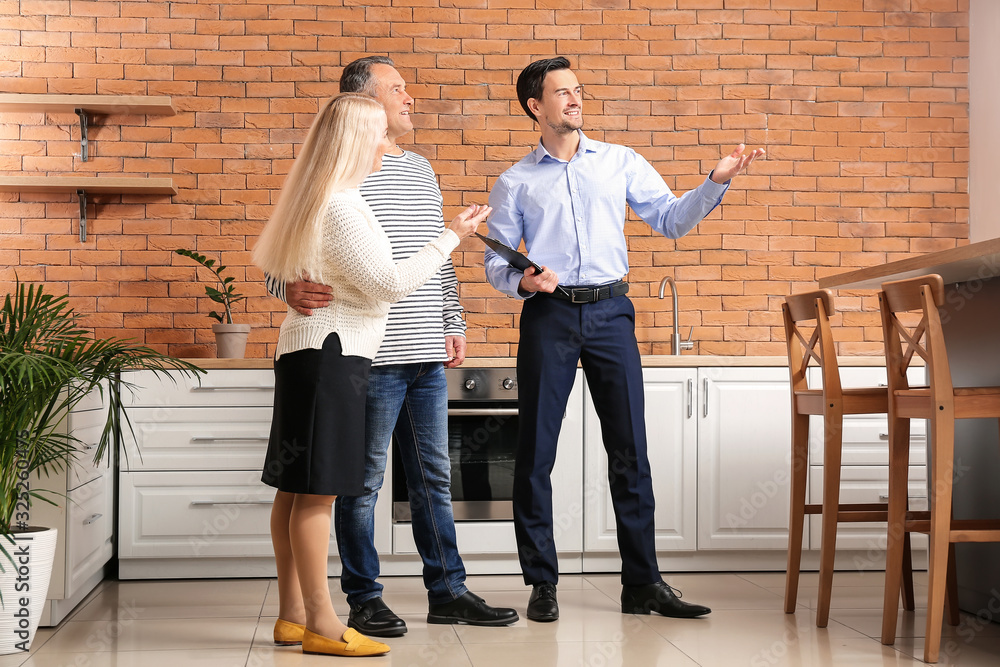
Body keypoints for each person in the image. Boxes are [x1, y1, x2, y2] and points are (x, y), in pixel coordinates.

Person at [484, 57, 764, 623]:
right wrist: (523, 279)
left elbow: (670, 220)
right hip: (549, 317)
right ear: (535, 106)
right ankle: (542, 583)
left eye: (578, 90)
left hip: (612, 313)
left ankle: (643, 583)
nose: (575, 100)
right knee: (536, 455)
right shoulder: (515, 181)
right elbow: (496, 263)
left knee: (630, 453)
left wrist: (717, 180)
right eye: (562, 93)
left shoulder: (619, 162)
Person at [265, 56, 519, 636]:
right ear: (364, 101)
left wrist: (451, 319)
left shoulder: (420, 169)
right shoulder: (338, 169)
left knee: (433, 474)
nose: (410, 97)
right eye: (397, 89)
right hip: (364, 352)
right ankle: (364, 597)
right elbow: (290, 250)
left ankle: (448, 589)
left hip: (424, 345)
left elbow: (438, 252)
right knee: (359, 479)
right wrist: (284, 287)